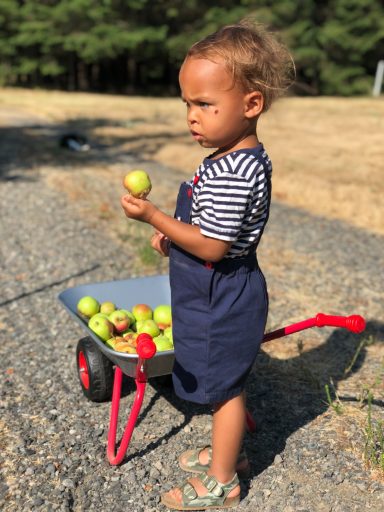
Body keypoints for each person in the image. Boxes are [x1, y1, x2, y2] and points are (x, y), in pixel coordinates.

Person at [121, 19, 294, 511]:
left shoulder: (234, 171)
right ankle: (228, 452)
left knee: (223, 389)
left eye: (204, 104)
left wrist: (154, 215)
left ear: (251, 104)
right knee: (222, 382)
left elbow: (215, 247)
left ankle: (224, 482)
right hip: (216, 284)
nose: (191, 117)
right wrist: (173, 241)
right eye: (187, 104)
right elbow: (206, 233)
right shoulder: (233, 156)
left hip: (223, 291)